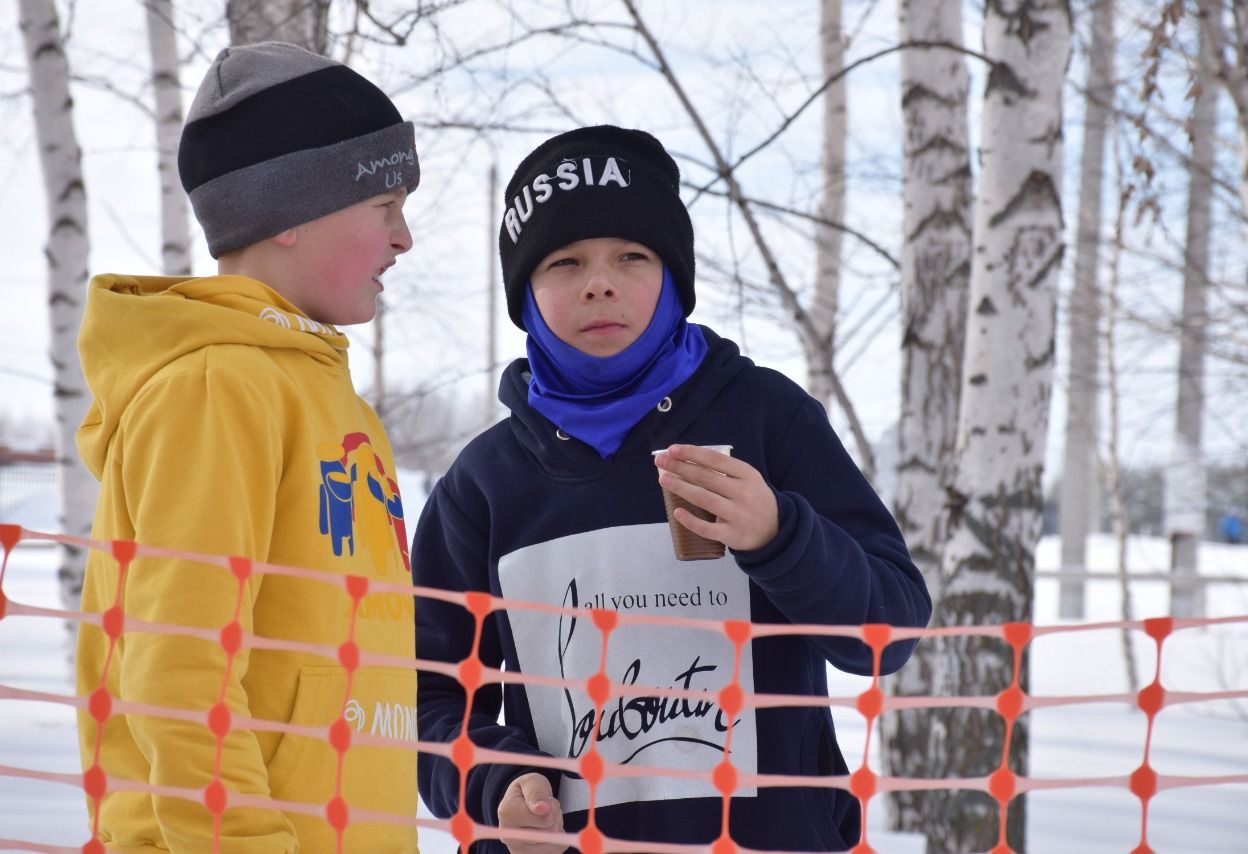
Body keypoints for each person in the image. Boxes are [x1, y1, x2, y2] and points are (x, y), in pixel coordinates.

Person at [413, 125, 932, 852]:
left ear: (675, 277)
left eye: (633, 255)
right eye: (564, 262)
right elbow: (425, 694)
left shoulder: (767, 419)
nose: (601, 280)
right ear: (524, 294)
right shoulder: (482, 484)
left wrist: (781, 536)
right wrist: (492, 783)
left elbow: (889, 633)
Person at [74, 42, 420, 852]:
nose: (405, 239)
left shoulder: (338, 404)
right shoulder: (216, 388)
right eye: (385, 206)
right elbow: (179, 672)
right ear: (290, 215)